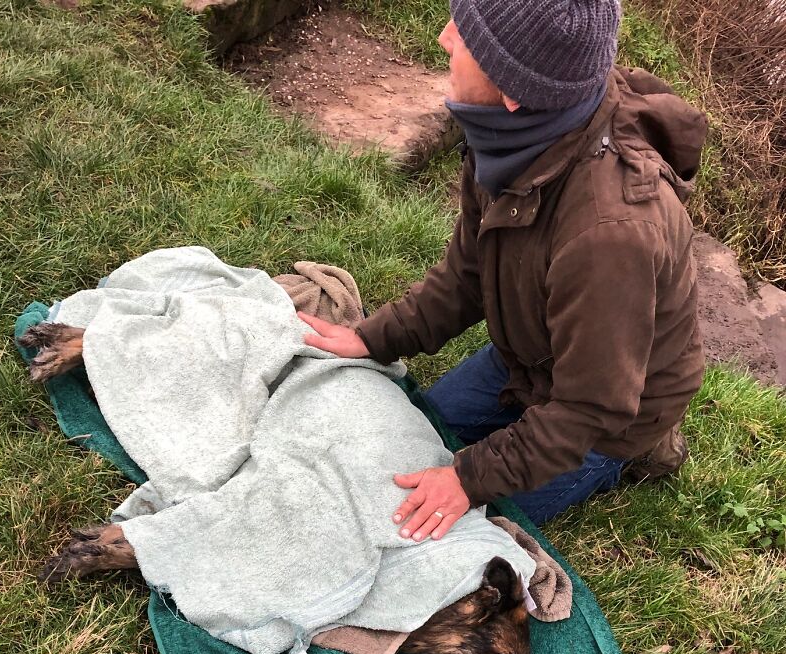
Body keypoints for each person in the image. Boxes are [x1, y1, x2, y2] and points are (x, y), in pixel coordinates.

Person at [299, 0, 708, 540]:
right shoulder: (514, 136)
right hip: (527, 358)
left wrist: (468, 481)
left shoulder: (610, 236)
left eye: (464, 35)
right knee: (405, 437)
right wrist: (373, 338)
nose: (445, 37)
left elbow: (588, 408)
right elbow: (469, 272)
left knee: (435, 531)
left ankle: (646, 448)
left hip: (602, 418)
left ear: (513, 89)